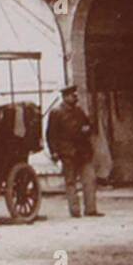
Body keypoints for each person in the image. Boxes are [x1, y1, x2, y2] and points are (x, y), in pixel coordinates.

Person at [47, 85, 102, 218]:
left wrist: (87, 129)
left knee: (89, 180)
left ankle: (91, 209)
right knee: (70, 182)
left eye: (75, 95)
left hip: (83, 152)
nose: (75, 97)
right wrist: (54, 152)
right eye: (73, 95)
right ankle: (75, 211)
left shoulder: (79, 111)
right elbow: (51, 135)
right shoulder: (56, 113)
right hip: (68, 153)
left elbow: (89, 126)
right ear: (65, 97)